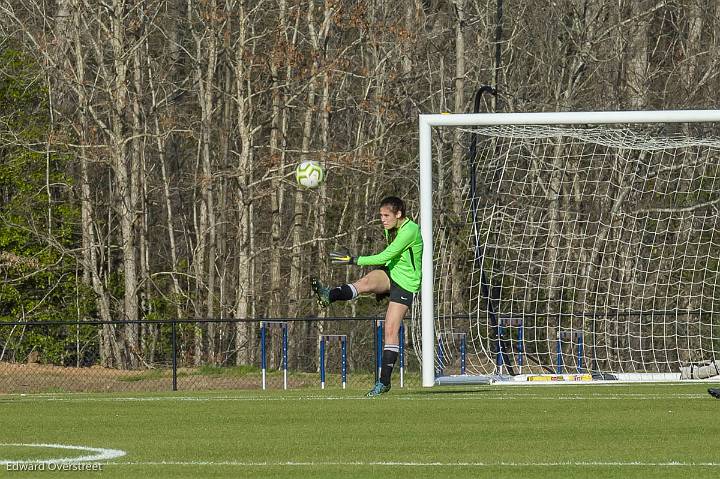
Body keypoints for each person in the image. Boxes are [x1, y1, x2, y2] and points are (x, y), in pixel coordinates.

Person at [311, 196, 423, 397]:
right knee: (365, 283)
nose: (383, 219)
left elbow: (385, 255)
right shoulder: (392, 227)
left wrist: (353, 260)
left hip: (406, 284)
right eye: (381, 215)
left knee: (390, 330)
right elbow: (391, 261)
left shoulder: (410, 230)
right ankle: (329, 295)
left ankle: (384, 382)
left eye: (386, 215)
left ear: (399, 214)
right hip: (391, 273)